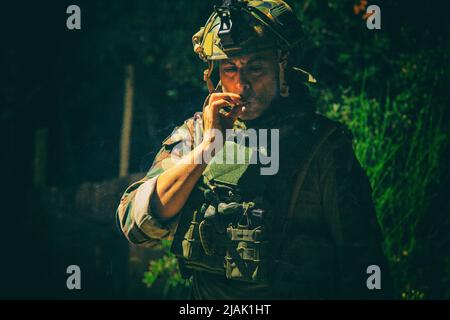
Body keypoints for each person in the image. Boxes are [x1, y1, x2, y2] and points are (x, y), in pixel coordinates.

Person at [116, 0, 392, 299]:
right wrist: (208, 149)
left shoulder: (323, 146)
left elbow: (363, 261)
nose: (241, 83)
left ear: (282, 67)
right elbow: (135, 224)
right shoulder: (197, 134)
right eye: (230, 68)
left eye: (256, 68)